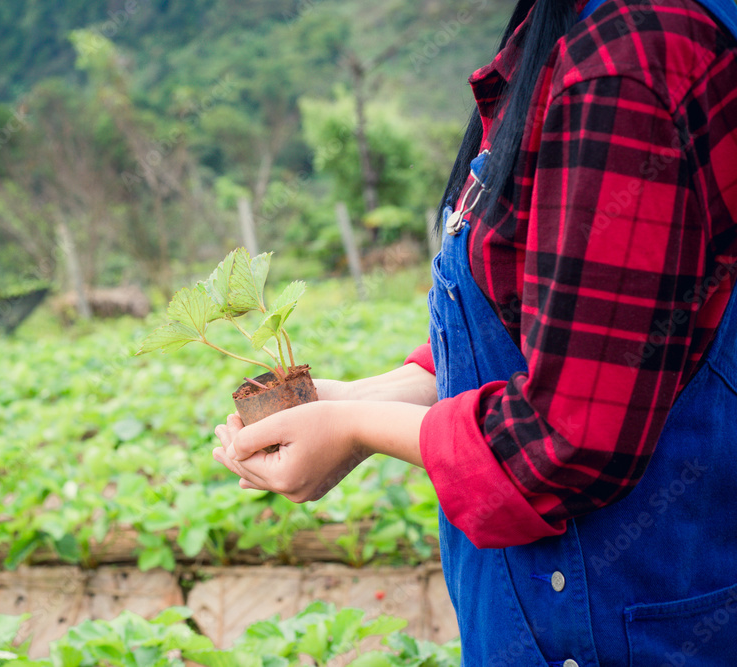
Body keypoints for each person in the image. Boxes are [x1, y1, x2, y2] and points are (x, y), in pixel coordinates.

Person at [213, 0, 737, 664]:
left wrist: (351, 430)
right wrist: (358, 398)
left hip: (614, 617)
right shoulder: (567, 30)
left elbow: (571, 440)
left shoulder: (624, 62)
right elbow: (564, 320)